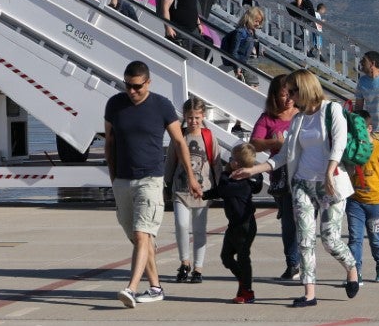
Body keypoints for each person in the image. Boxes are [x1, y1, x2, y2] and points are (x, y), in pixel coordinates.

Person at [233, 69, 360, 307]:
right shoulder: (299, 119)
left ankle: (352, 268)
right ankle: (309, 292)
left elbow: (339, 142)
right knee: (304, 238)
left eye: (293, 91)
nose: (289, 97)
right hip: (302, 183)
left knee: (330, 240)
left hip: (329, 184)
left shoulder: (331, 110)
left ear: (305, 89)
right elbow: (284, 154)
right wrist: (254, 169)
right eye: (288, 92)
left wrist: (330, 171)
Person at [104, 61, 200, 308]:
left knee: (141, 233)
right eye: (127, 85)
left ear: (148, 83)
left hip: (150, 179)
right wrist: (113, 178)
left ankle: (131, 288)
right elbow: (110, 143)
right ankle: (155, 287)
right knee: (139, 239)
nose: (131, 91)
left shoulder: (162, 106)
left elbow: (179, 142)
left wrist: (190, 176)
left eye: (136, 86)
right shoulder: (114, 104)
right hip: (123, 181)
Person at [249, 75, 300, 281]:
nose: (288, 100)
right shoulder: (268, 118)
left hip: (304, 172)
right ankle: (293, 263)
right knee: (289, 220)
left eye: (290, 94)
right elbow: (254, 143)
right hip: (281, 175)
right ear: (274, 96)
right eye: (282, 95)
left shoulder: (302, 114)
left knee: (303, 220)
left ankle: (303, 260)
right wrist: (273, 143)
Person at [204, 142, 263, 304]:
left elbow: (225, 189)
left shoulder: (244, 183)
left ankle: (247, 291)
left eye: (232, 159)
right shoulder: (229, 179)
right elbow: (219, 191)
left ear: (240, 163)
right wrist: (202, 195)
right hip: (234, 225)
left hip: (246, 225)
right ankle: (243, 282)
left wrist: (246, 175)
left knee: (243, 257)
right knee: (226, 257)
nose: (230, 161)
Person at [168, 98, 216, 285]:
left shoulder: (209, 136)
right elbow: (170, 161)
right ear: (185, 117)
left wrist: (220, 186)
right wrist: (166, 182)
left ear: (203, 116)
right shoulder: (179, 136)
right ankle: (184, 262)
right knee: (181, 225)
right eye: (190, 118)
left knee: (199, 230)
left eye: (197, 117)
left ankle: (198, 267)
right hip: (180, 189)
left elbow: (216, 162)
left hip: (203, 190)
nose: (193, 121)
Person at [345, 109, 379, 284]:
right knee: (354, 238)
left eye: (361, 129)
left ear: (370, 128)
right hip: (354, 202)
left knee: (375, 238)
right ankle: (355, 271)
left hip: (375, 203)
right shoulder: (350, 148)